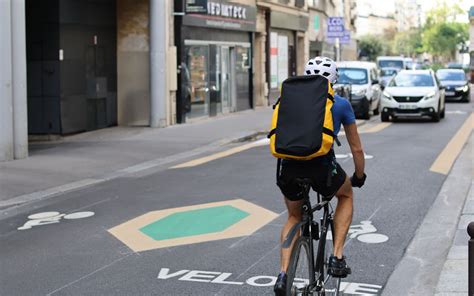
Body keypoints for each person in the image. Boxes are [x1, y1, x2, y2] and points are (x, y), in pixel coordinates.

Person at [273, 56, 367, 295]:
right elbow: (356, 148)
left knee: (294, 217)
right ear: (334, 80)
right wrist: (358, 175)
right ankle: (337, 256)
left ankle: (283, 275)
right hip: (322, 170)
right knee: (345, 196)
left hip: (289, 168)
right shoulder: (340, 103)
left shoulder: (288, 99)